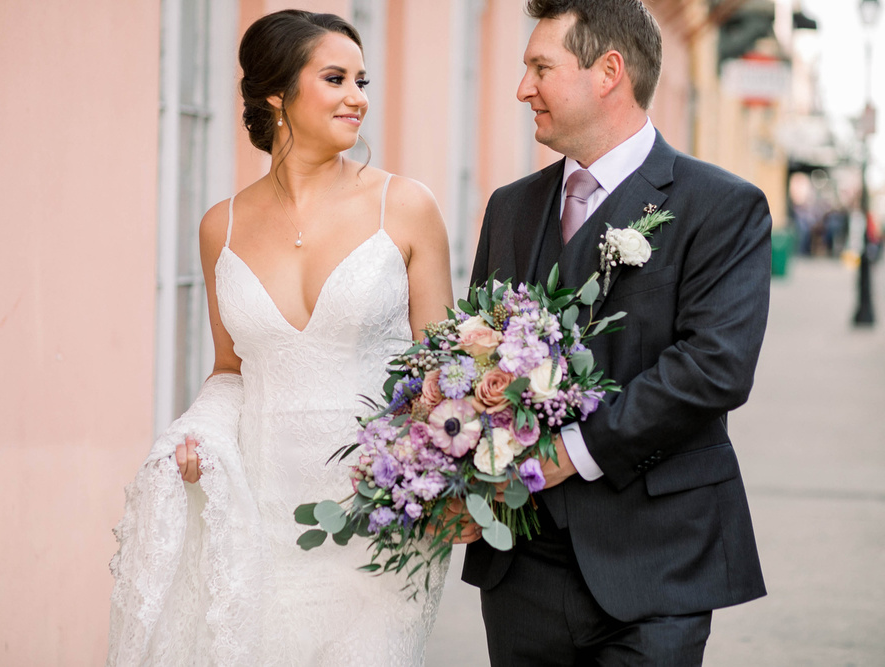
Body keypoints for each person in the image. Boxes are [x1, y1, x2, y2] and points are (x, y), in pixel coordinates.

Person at [107, 10, 453, 666]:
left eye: (362, 79)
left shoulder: (406, 206)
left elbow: (444, 367)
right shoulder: (222, 227)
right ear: (276, 95)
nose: (358, 96)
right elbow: (232, 369)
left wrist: (440, 480)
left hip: (380, 519)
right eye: (335, 78)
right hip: (263, 518)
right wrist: (199, 439)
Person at [463, 1, 771, 665]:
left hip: (657, 559)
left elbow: (714, 367)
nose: (524, 88)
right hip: (522, 569)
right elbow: (474, 351)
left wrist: (568, 451)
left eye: (541, 67)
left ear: (608, 72)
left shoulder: (722, 206)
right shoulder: (509, 207)